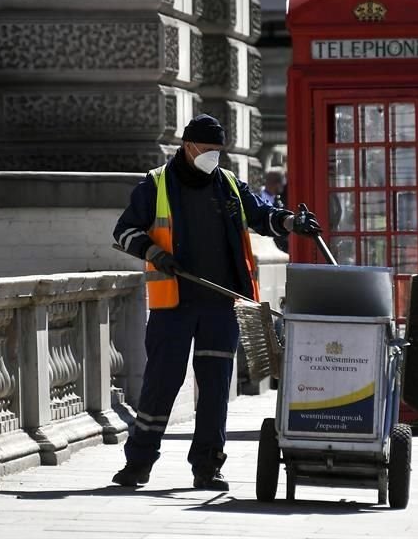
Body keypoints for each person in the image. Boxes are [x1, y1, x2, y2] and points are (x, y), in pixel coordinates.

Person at [110, 114, 322, 490]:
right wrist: (154, 252)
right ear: (188, 146)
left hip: (221, 305)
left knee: (214, 390)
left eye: (218, 150)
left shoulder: (227, 185)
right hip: (173, 305)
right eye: (207, 149)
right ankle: (138, 463)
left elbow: (262, 214)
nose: (213, 156)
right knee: (161, 384)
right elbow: (124, 230)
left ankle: (207, 467)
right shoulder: (156, 183)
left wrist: (291, 222)